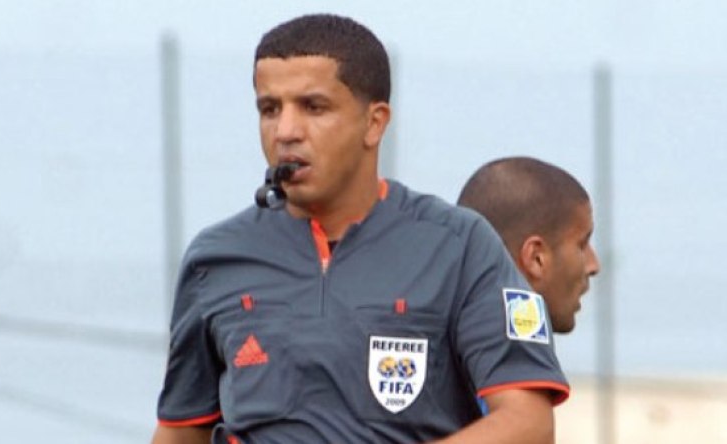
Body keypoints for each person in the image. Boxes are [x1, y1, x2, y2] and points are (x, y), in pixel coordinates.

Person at [152, 14, 569, 444]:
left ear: (374, 123)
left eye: (313, 107)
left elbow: (528, 425)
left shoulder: (459, 246)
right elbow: (180, 431)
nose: (286, 132)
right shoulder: (214, 259)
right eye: (269, 109)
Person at [457, 157, 600, 333]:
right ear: (535, 258)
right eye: (582, 245)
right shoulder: (508, 350)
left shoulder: (432, 337)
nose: (594, 265)